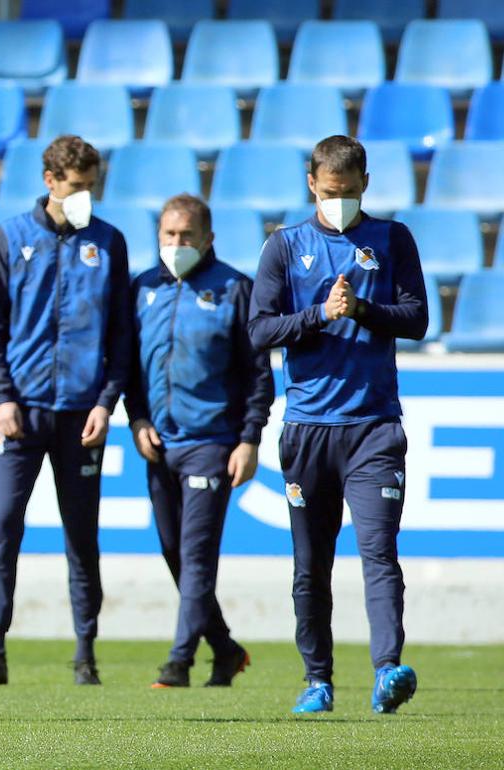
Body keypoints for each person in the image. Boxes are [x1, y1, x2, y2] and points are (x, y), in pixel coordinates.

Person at [248, 135, 427, 714]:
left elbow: (418, 318)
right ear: (312, 184)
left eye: (348, 193)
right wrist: (320, 315)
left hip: (373, 426)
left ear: (365, 185)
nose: (339, 202)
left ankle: (387, 669)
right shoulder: (285, 245)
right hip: (307, 428)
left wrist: (363, 311)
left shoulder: (393, 238)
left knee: (378, 552)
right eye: (330, 193)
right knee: (311, 565)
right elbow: (259, 330)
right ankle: (317, 681)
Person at [0, 135, 131, 686]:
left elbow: (121, 336)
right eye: (77, 186)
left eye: (92, 186)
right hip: (21, 413)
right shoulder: (11, 238)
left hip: (81, 416)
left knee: (81, 534)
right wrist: (2, 397)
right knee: (3, 526)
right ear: (50, 181)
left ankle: (85, 652)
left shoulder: (109, 242)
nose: (85, 196)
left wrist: (106, 403)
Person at [125, 194, 274, 689]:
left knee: (197, 553)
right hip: (158, 442)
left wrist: (249, 439)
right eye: (168, 235)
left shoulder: (235, 289)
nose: (176, 244)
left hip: (213, 441)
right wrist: (137, 419)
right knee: (173, 550)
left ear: (208, 238)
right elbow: (127, 367)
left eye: (186, 235)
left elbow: (258, 375)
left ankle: (180, 660)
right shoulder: (142, 288)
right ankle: (226, 649)